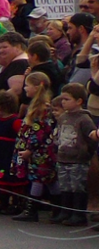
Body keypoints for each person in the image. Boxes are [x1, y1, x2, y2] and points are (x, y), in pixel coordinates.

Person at [11, 72, 56, 222]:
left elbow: (40, 132)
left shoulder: (43, 109)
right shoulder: (34, 106)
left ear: (37, 87)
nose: (25, 88)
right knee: (46, 179)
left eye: (27, 85)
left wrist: (30, 149)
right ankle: (57, 207)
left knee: (39, 177)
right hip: (35, 149)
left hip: (40, 151)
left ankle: (32, 209)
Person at [52, 83, 95, 225]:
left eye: (67, 99)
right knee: (65, 186)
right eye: (62, 99)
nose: (63, 102)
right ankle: (65, 211)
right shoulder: (63, 117)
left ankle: (79, 214)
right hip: (63, 157)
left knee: (77, 186)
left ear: (79, 101)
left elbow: (91, 137)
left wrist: (86, 152)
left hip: (78, 160)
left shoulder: (84, 119)